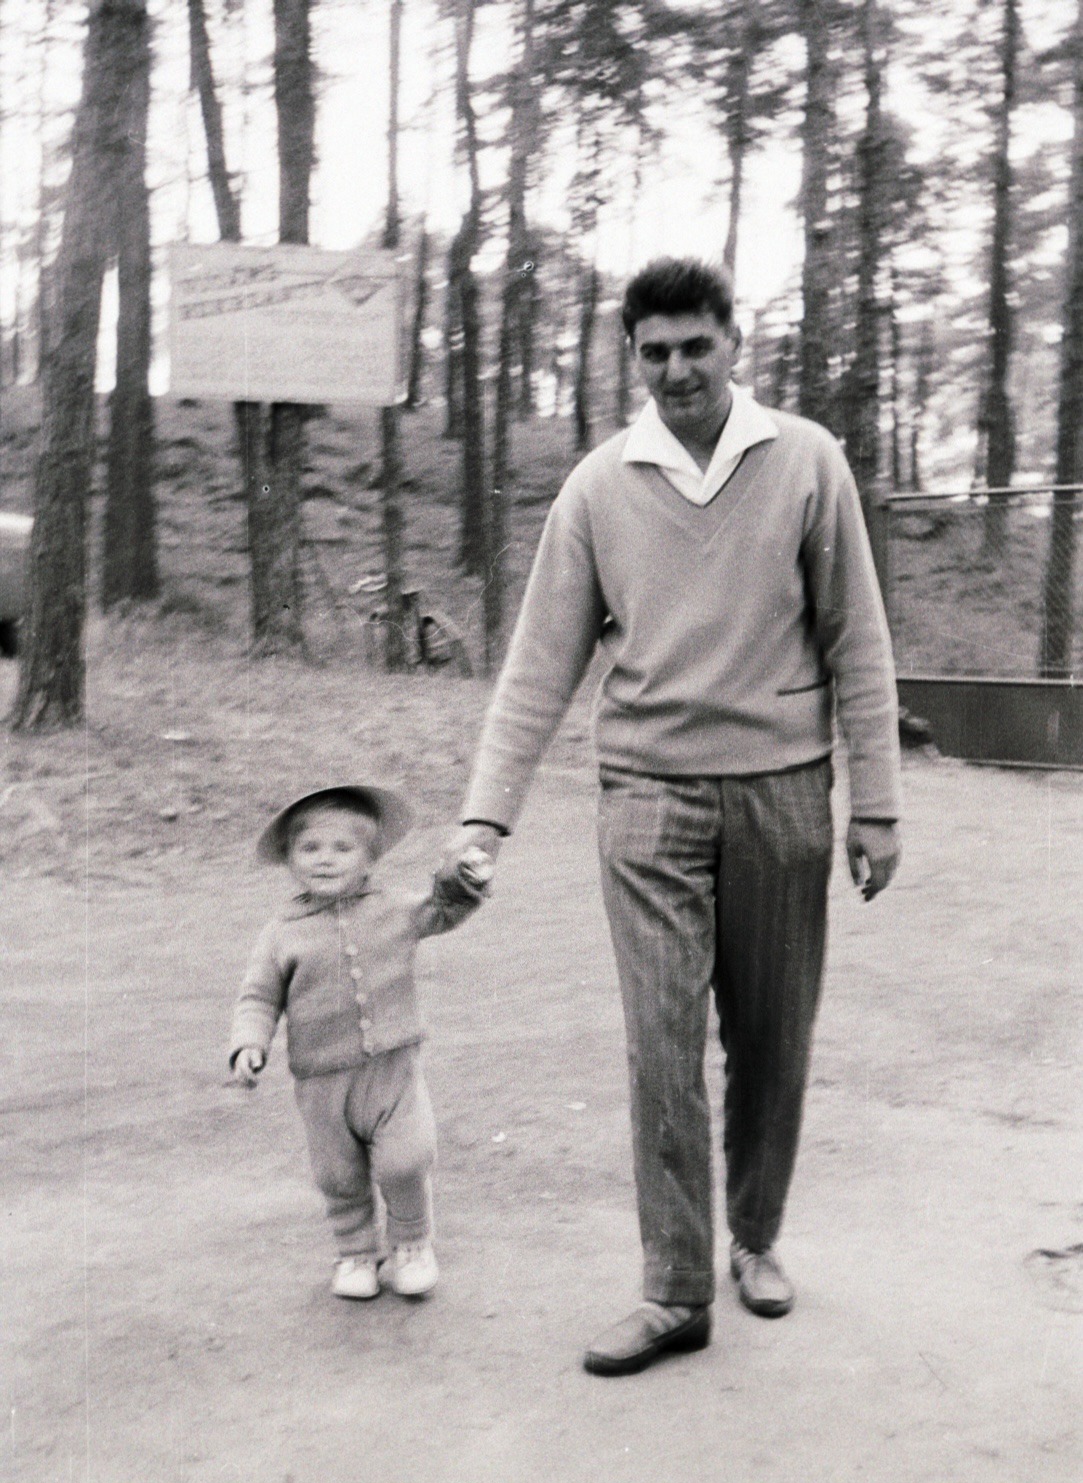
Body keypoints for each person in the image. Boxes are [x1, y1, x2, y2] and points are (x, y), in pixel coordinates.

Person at [440, 257, 902, 1375]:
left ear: (734, 343)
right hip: (646, 794)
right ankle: (674, 1288)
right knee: (660, 1046)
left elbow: (858, 639)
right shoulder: (602, 485)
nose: (678, 369)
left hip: (786, 793)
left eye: (697, 345)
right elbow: (540, 663)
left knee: (772, 1039)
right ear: (632, 359)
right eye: (655, 352)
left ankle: (757, 1237)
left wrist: (875, 805)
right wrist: (483, 819)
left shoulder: (805, 461)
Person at [229, 785, 492, 1301]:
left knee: (406, 1158)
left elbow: (442, 909)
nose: (324, 860)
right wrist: (248, 1043)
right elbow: (258, 996)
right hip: (322, 1081)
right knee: (338, 1173)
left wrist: (461, 880)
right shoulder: (281, 933)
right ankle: (354, 1253)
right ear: (288, 859)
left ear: (370, 858)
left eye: (342, 848)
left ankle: (412, 1245)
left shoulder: (394, 908)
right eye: (309, 849)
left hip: (393, 1067)